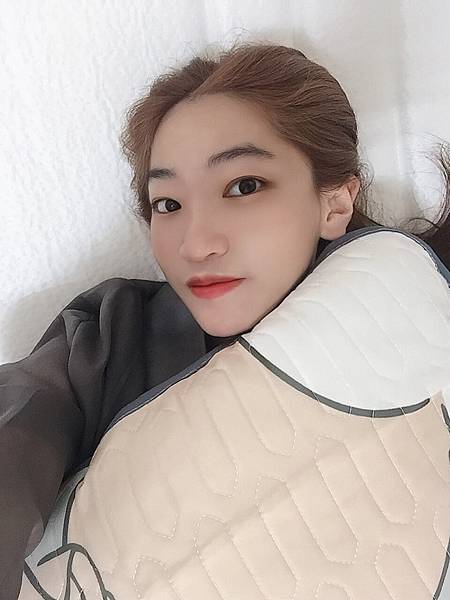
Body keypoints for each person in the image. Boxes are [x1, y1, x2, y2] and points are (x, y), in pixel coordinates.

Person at [1, 39, 450, 600]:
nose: (195, 244)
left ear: (334, 201)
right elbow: (19, 427)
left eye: (243, 187)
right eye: (168, 204)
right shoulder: (114, 336)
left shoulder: (422, 315)